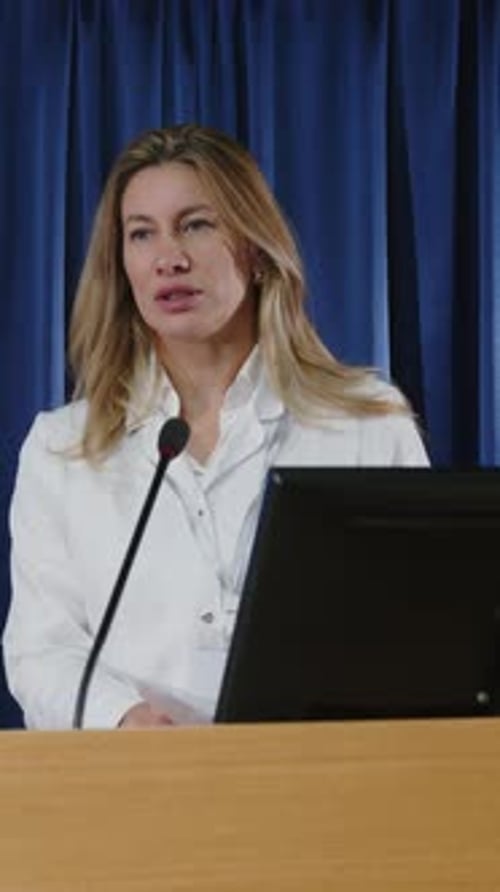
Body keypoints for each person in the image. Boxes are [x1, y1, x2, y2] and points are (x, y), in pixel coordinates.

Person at [2, 124, 429, 730]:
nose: (168, 257)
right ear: (122, 265)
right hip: (138, 790)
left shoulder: (367, 422)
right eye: (141, 233)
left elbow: (417, 630)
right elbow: (39, 649)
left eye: (196, 224)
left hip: (324, 785)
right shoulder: (62, 446)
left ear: (254, 250)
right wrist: (122, 718)